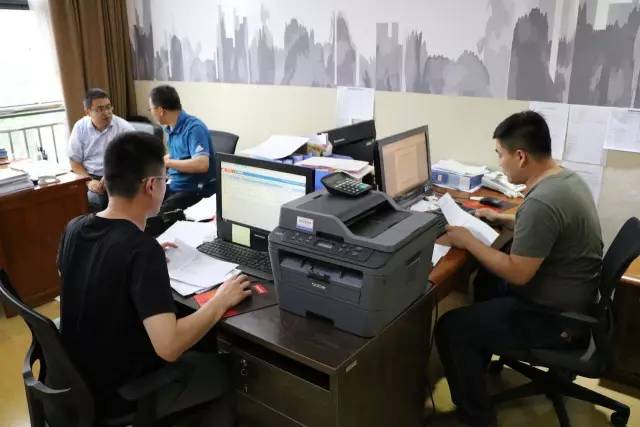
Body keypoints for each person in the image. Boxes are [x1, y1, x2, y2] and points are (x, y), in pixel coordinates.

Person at [56, 131, 251, 425]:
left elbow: (80, 273)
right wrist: (221, 300)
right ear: (151, 185)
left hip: (78, 380)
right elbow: (169, 347)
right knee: (227, 370)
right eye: (164, 179)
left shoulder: (75, 227)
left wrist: (135, 259)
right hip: (122, 395)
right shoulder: (140, 251)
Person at [434, 111, 602, 427]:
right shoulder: (565, 179)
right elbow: (548, 227)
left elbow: (517, 273)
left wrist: (468, 240)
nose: (500, 163)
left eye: (501, 154)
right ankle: (476, 364)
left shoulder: (542, 202)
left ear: (521, 156)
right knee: (485, 280)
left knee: (450, 327)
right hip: (576, 298)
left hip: (555, 318)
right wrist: (502, 219)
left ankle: (477, 417)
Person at [148, 85, 216, 213]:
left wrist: (167, 163)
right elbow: (177, 155)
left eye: (151, 109)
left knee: (157, 216)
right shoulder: (171, 127)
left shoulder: (194, 128)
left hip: (193, 190)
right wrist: (158, 162)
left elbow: (202, 164)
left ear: (161, 110)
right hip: (175, 184)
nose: (151, 113)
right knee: (142, 202)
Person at [67, 88, 135, 212]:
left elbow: (133, 160)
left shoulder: (124, 128)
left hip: (118, 175)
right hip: (89, 175)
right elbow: (75, 162)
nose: (106, 113)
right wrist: (89, 181)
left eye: (108, 107)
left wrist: (112, 174)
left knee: (117, 199)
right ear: (87, 112)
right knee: (82, 199)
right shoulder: (80, 127)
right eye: (100, 109)